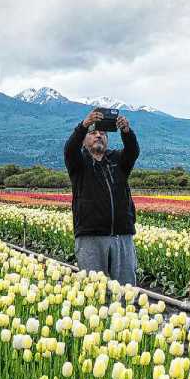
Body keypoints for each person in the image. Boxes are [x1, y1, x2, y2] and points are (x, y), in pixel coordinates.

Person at [63, 109, 140, 285]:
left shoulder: (118, 160)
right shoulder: (78, 163)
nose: (98, 136)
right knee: (95, 289)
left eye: (103, 133)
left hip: (122, 234)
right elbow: (70, 149)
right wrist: (84, 125)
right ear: (84, 141)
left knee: (125, 288)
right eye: (93, 133)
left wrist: (126, 131)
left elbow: (133, 151)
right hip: (91, 236)